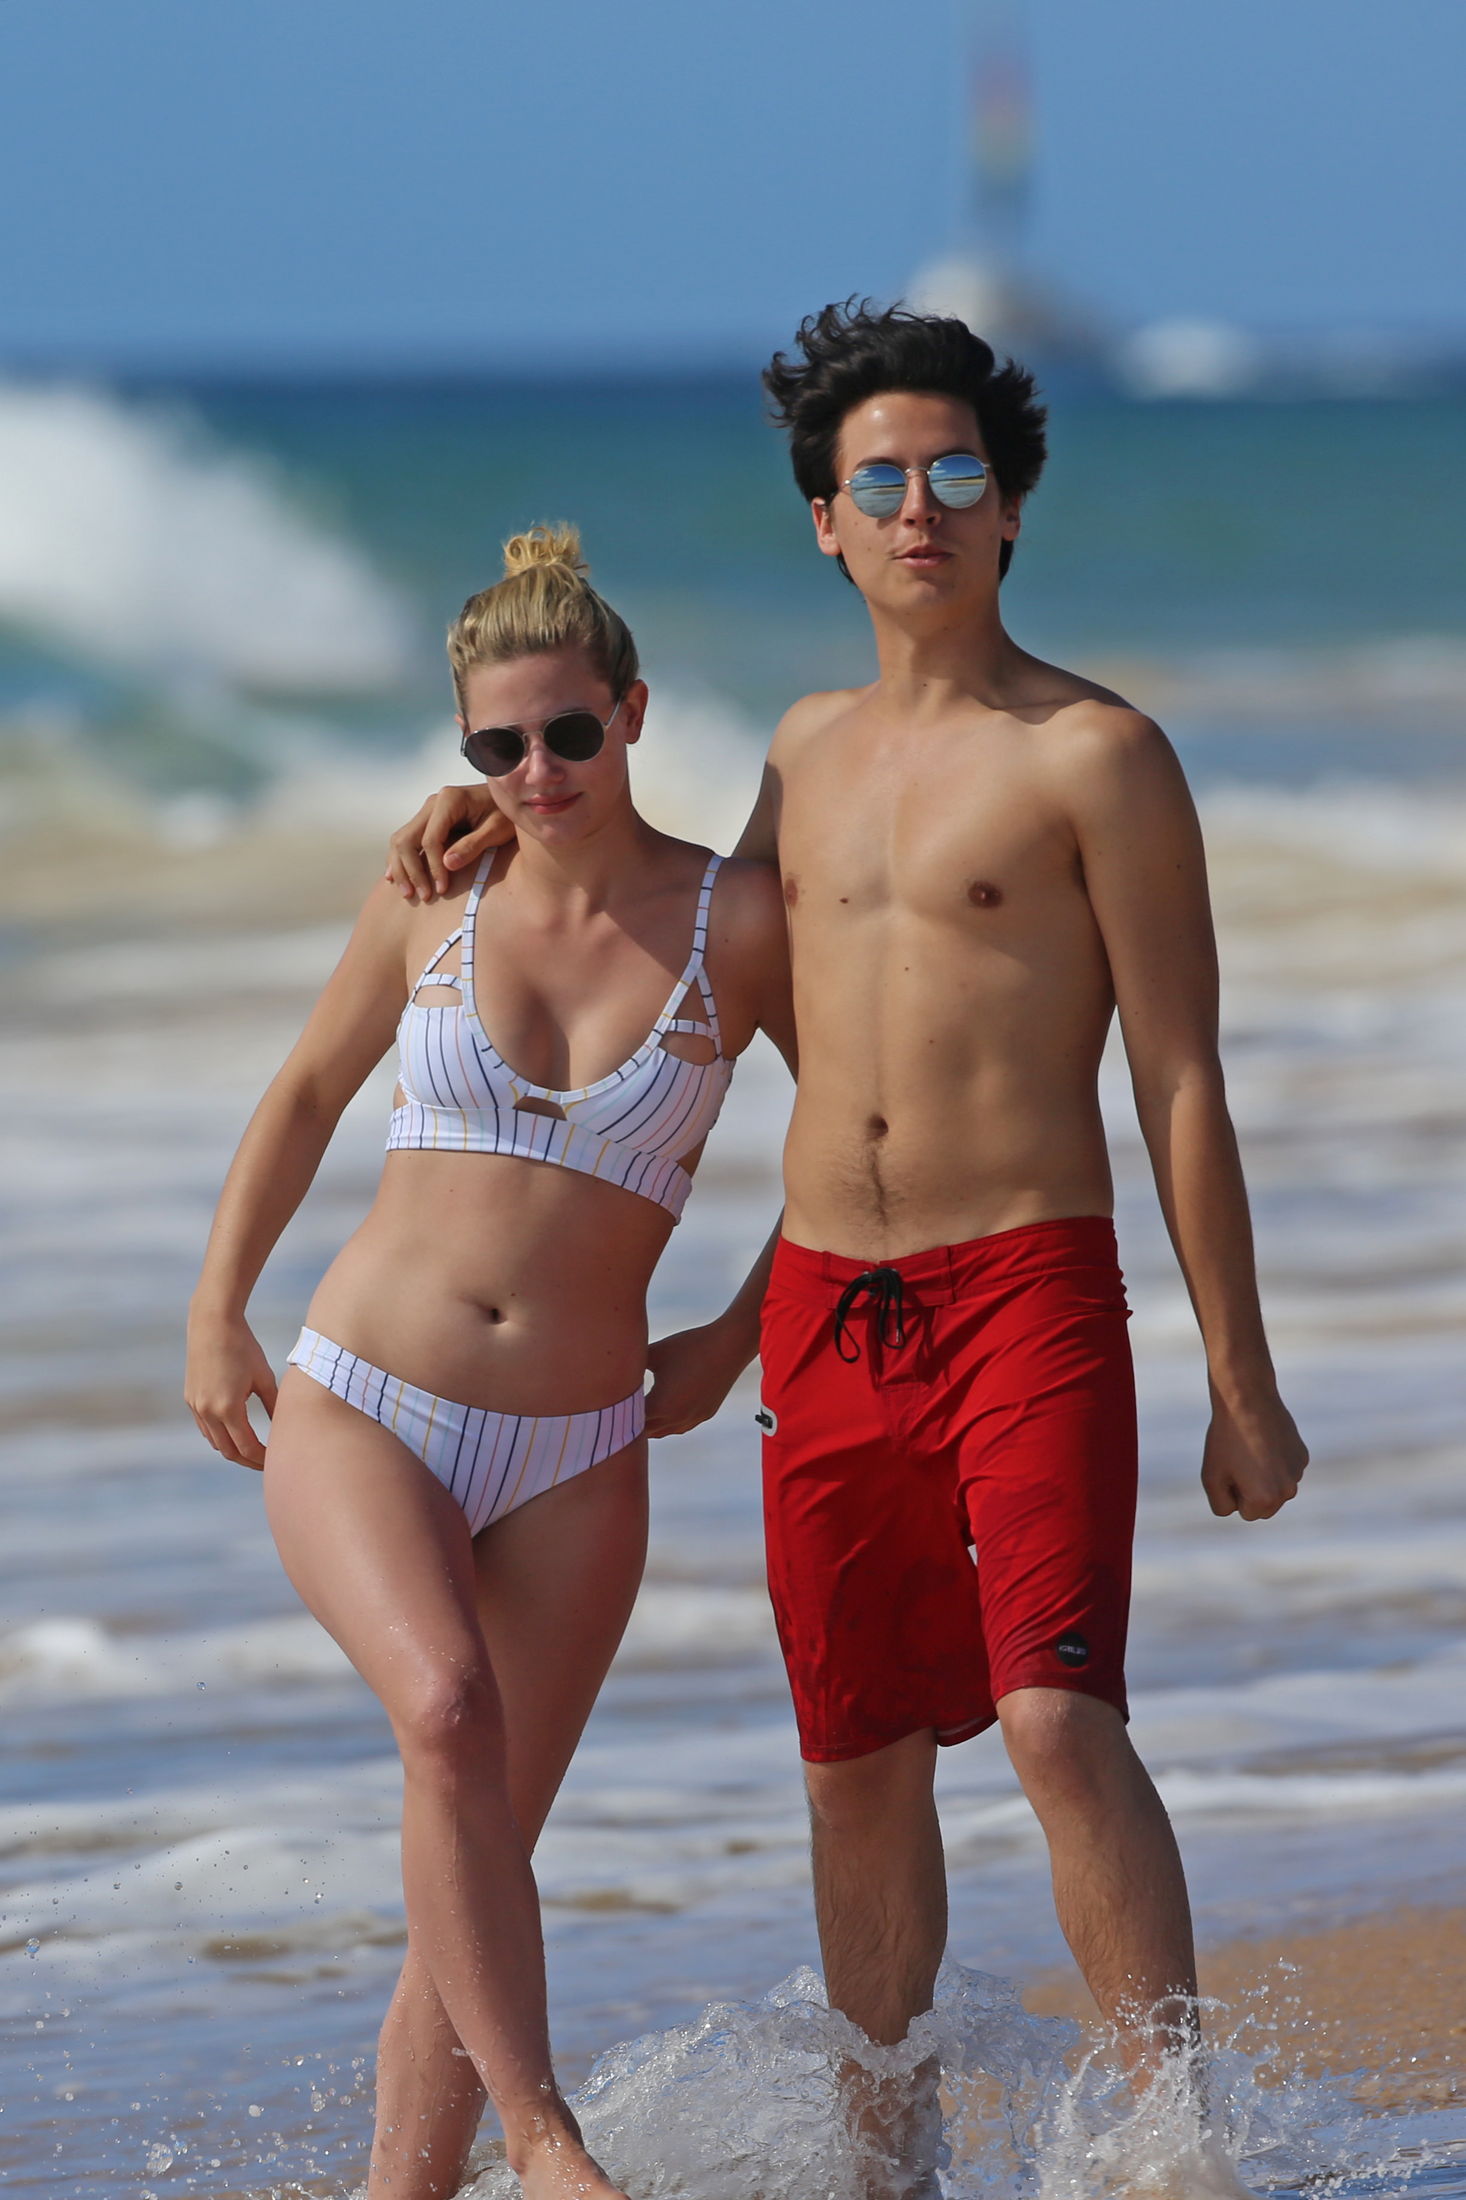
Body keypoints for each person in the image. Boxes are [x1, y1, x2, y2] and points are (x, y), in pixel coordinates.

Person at [383, 303, 1308, 2136]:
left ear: (1011, 503)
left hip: (1025, 1284)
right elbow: (688, 948)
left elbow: (1179, 1077)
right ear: (824, 519)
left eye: (955, 473)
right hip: (824, 1311)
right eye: (878, 481)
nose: (918, 510)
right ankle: (891, 2164)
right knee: (855, 1760)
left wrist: (1239, 1375)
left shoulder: (1097, 755)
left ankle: (1173, 2143)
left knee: (1051, 1718)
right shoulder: (802, 752)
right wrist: (501, 808)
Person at [185, 525, 794, 2200]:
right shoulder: (434, 897)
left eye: (569, 733)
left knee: (481, 1846)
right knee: (447, 1716)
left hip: (580, 1445)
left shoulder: (735, 923)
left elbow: (863, 1136)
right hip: (366, 1400)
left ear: (633, 712)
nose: (537, 773)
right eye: (497, 746)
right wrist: (216, 1307)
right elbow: (306, 1093)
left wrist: (734, 1332)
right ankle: (546, 2142)